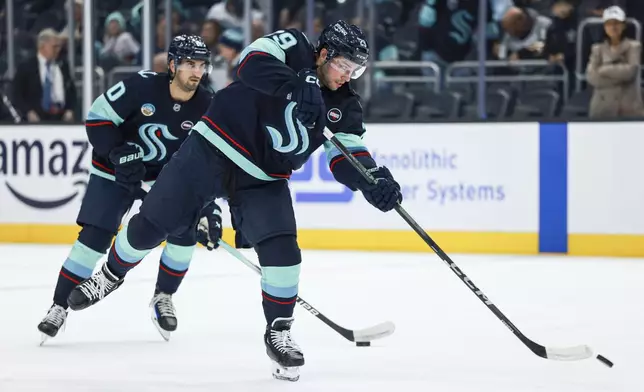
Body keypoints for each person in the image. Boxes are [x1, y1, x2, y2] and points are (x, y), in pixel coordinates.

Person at [66, 21, 403, 381]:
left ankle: (279, 332)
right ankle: (111, 274)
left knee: (284, 251)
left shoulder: (344, 105)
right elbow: (249, 62)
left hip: (263, 179)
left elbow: (348, 156)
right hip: (211, 148)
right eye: (343, 67)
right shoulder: (294, 46)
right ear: (323, 54)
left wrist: (374, 181)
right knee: (151, 226)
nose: (347, 77)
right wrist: (298, 83)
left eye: (355, 71)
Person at [37, 35, 221, 343]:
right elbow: (97, 117)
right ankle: (58, 306)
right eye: (190, 64)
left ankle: (163, 296)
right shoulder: (141, 86)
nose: (197, 72)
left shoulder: (208, 104)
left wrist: (208, 208)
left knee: (183, 234)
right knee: (93, 239)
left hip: (164, 180)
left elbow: (207, 160)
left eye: (202, 65)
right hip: (114, 172)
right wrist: (117, 151)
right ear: (173, 64)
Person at [587, 5, 644, 118]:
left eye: (616, 23)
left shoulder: (633, 46)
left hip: (628, 108)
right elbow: (592, 77)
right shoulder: (597, 48)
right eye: (609, 24)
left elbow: (630, 72)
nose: (613, 27)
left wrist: (603, 70)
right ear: (604, 27)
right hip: (602, 108)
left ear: (623, 25)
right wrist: (618, 73)